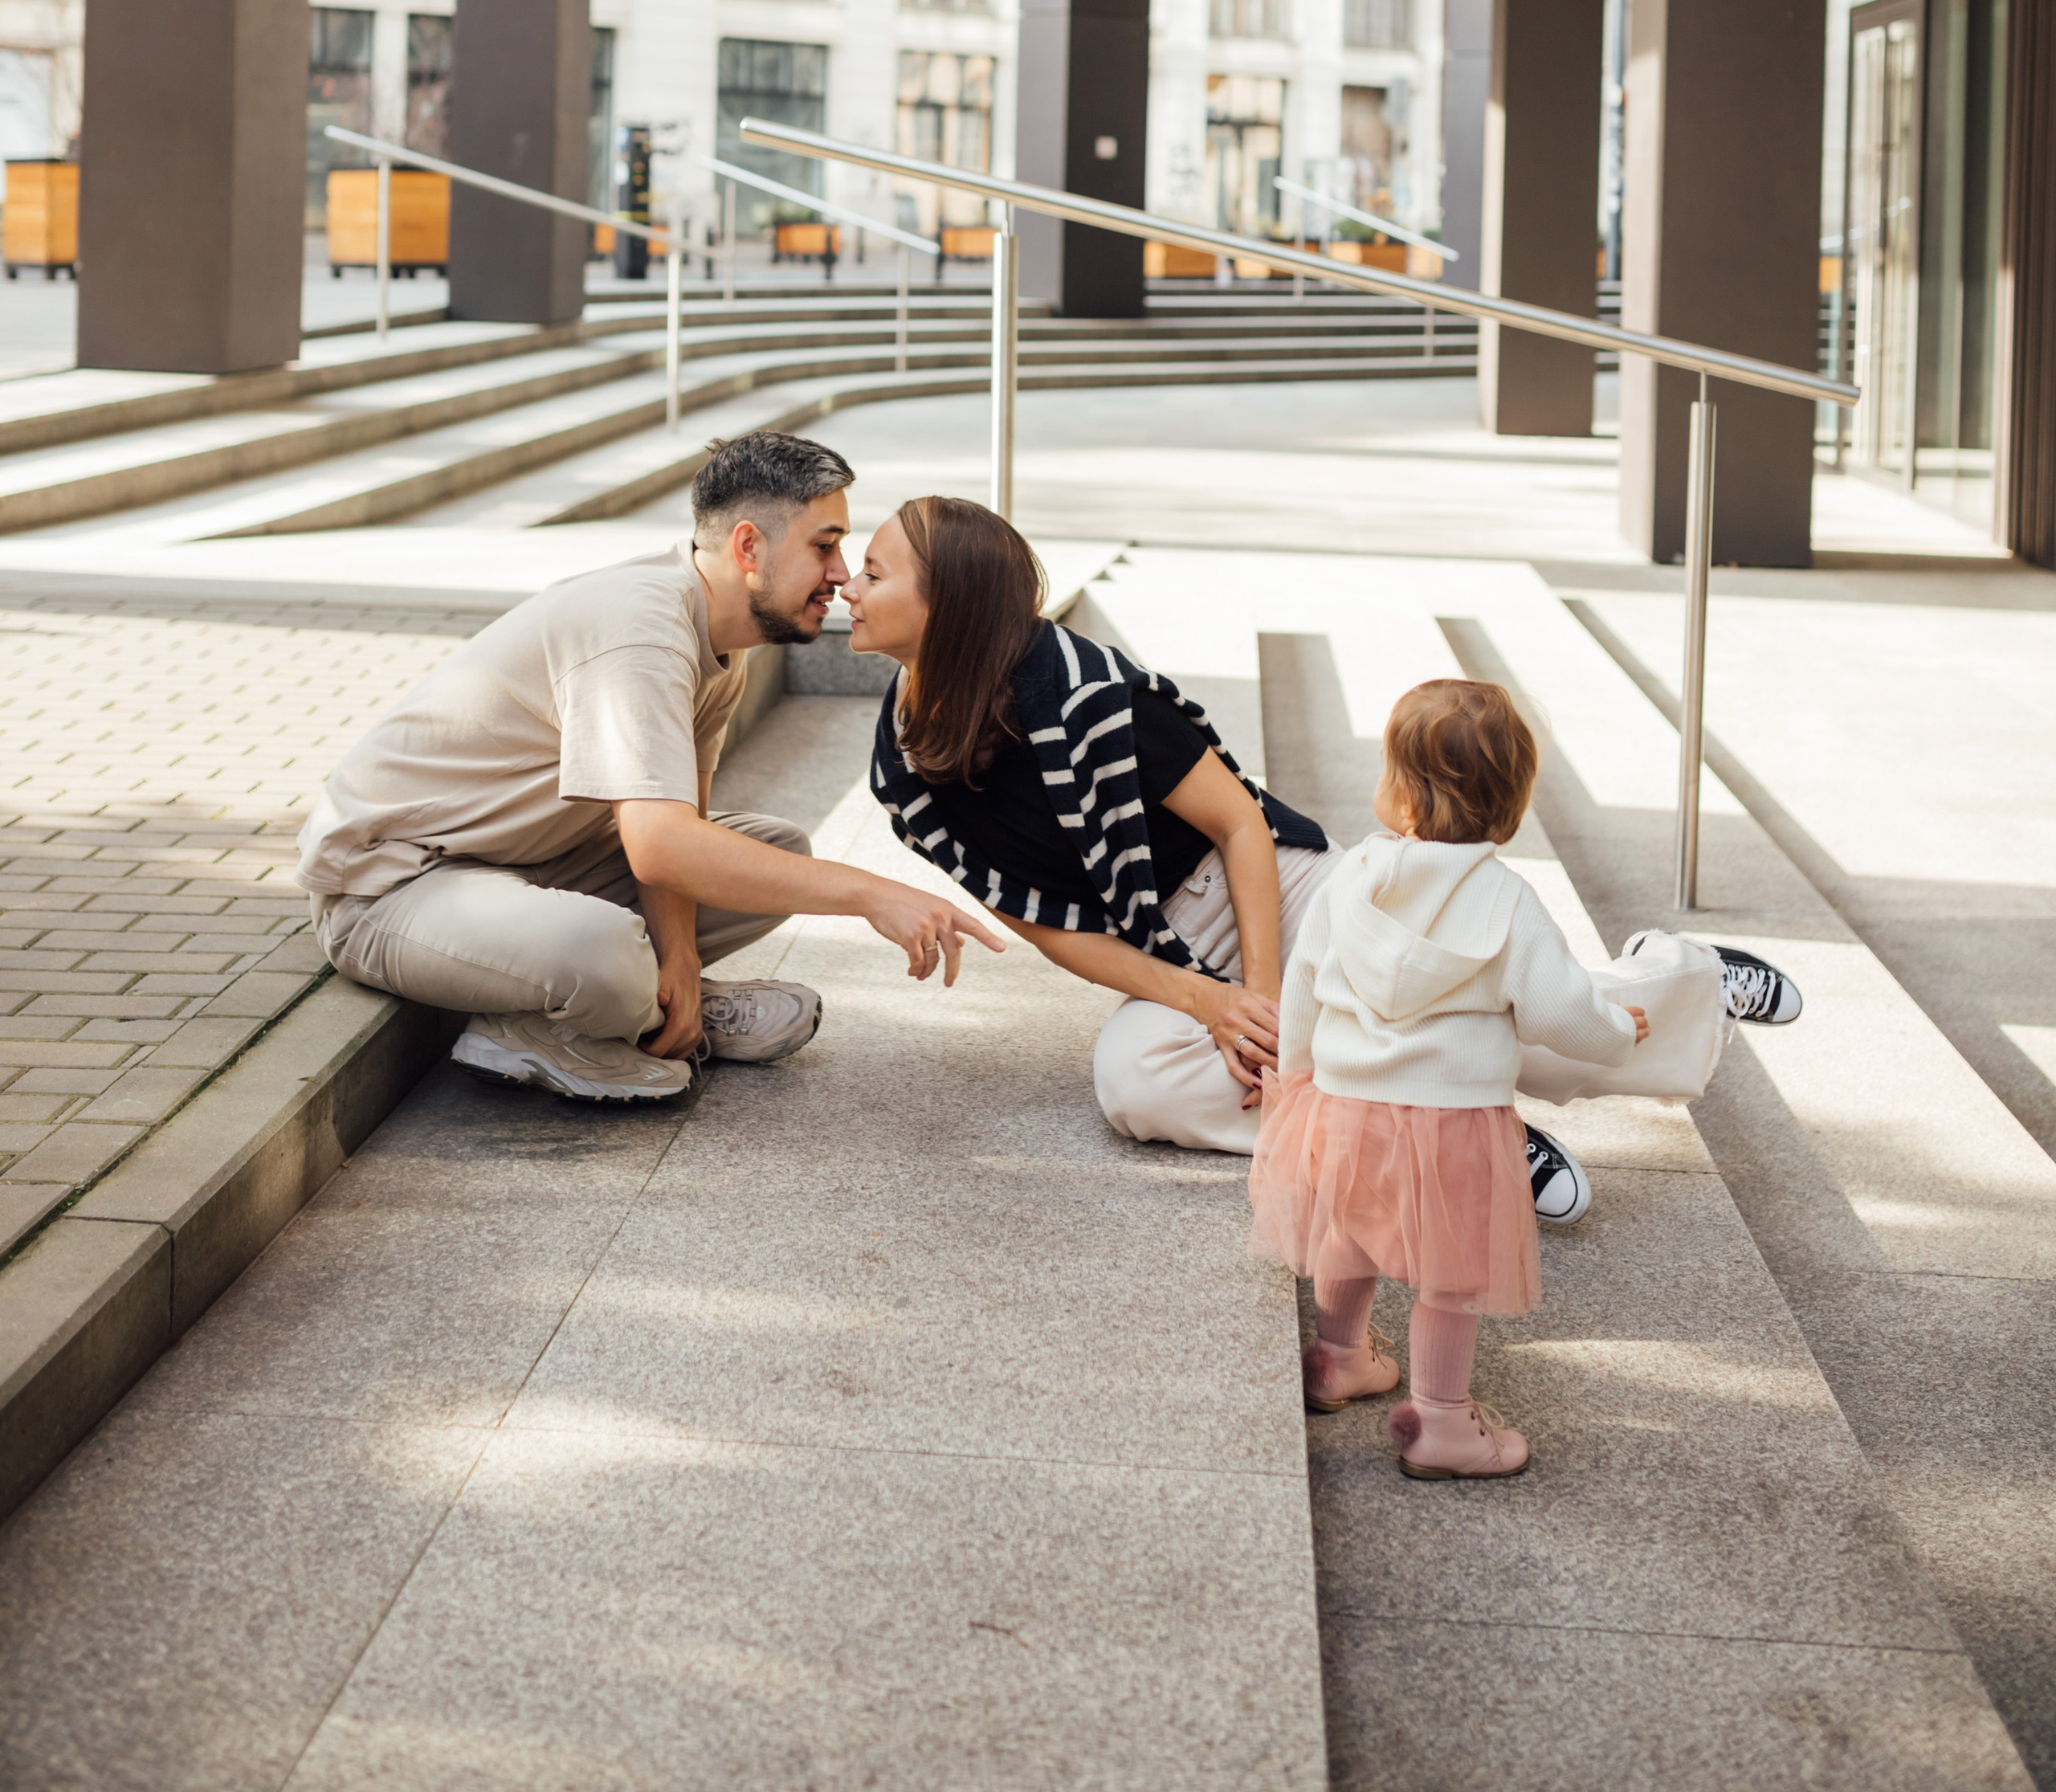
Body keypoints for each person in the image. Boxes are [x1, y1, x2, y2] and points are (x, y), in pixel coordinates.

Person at [846, 495, 1804, 1227]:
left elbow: (1241, 829)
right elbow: (1044, 927)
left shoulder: (1089, 696)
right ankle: (1431, 1130)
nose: (851, 582)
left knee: (1519, 1029)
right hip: (1155, 952)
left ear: (954, 606)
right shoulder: (904, 772)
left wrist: (1266, 998)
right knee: (1138, 1082)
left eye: (876, 571)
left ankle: (1681, 981)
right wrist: (1214, 1008)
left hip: (1277, 893)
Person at [295, 431, 1002, 1107]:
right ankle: (555, 1030)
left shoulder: (721, 642)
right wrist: (874, 894)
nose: (841, 576)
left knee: (779, 852)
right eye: (826, 547)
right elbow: (662, 847)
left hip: (526, 865)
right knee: (600, 949)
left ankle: (654, 1005)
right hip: (391, 890)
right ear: (749, 547)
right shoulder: (638, 627)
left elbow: (677, 831)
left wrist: (684, 965)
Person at [1251, 675, 1654, 1477]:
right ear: (1509, 806)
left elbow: (1302, 982)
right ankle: (1439, 1424)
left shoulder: (1353, 877)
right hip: (1453, 1120)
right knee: (1453, 1272)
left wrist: (1293, 1072)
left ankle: (1336, 1358)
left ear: (1397, 798)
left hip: (1344, 1104)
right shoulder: (1507, 900)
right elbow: (1555, 1011)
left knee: (1348, 1229)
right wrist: (1617, 1031)